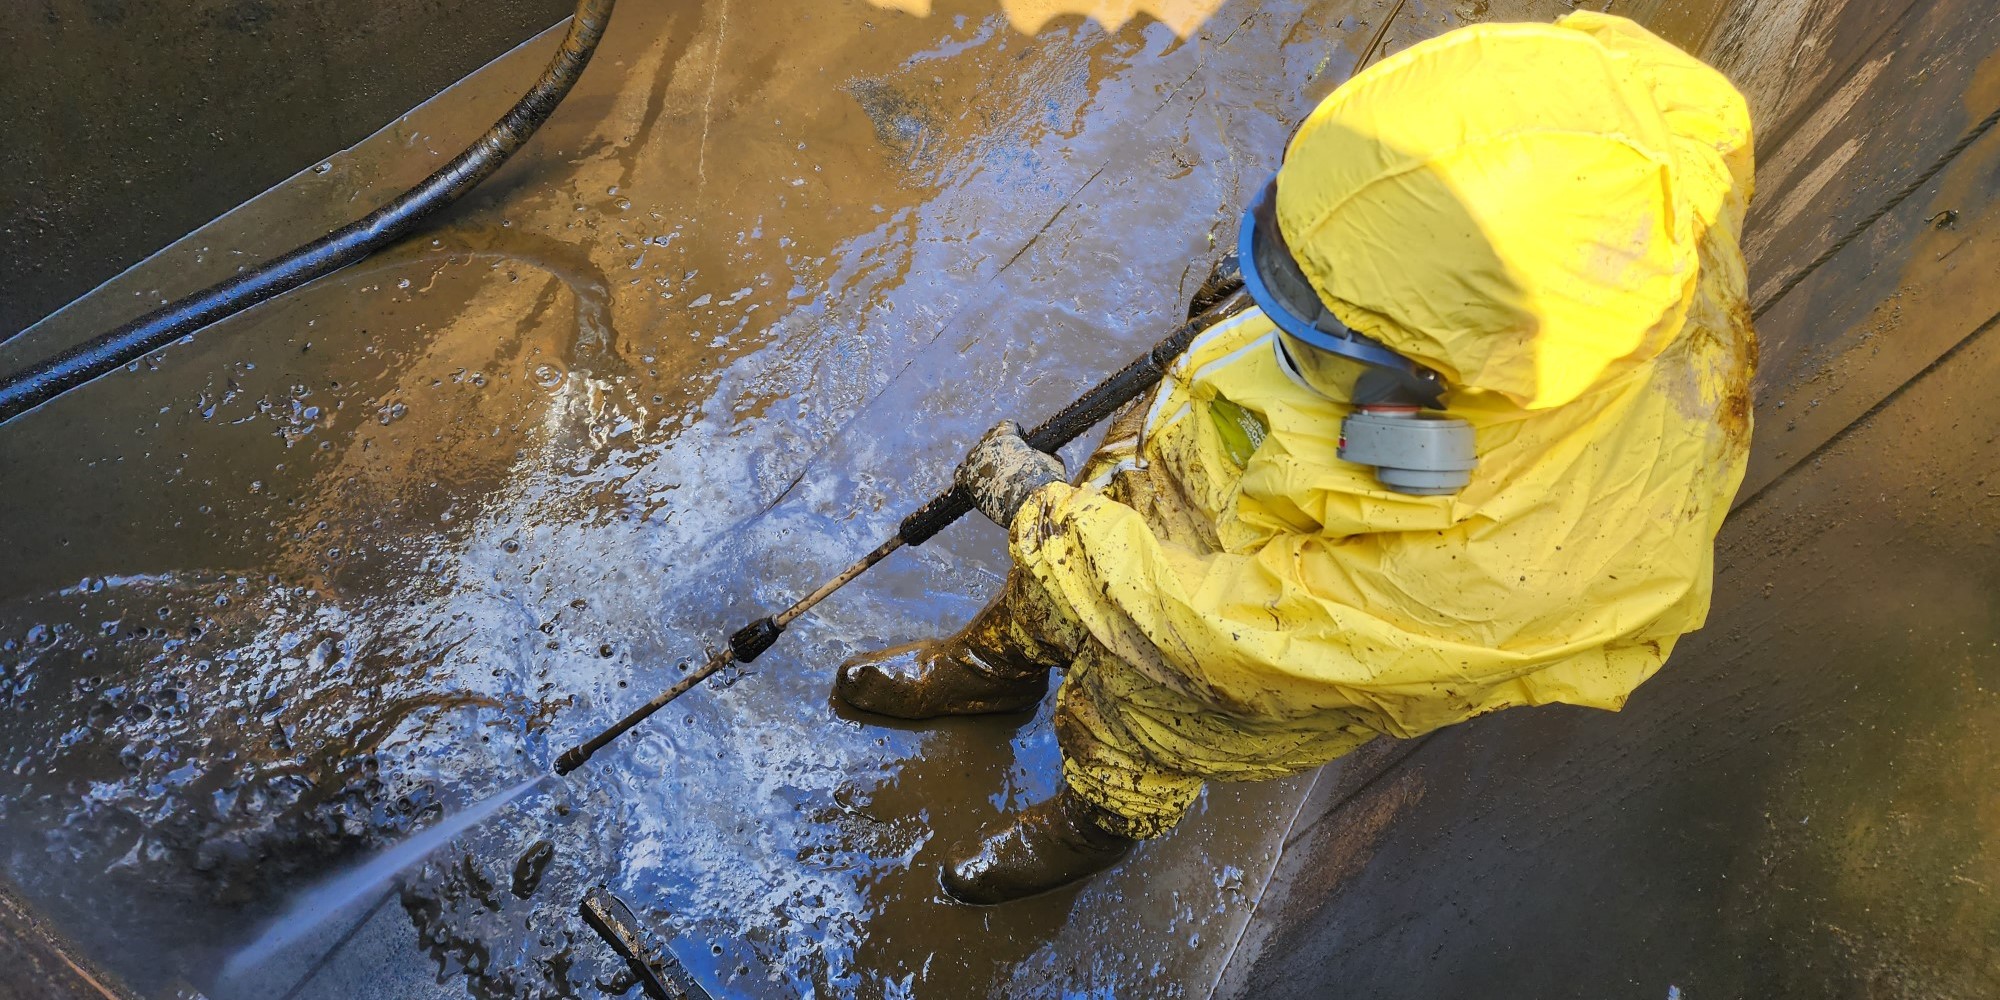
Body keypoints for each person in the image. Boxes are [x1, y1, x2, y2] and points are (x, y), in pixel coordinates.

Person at [835, 10, 1757, 905]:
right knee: (1082, 545)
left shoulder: (1528, 553)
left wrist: (1048, 521)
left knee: (1146, 722)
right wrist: (1305, 256)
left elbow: (1238, 639)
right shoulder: (1609, 143)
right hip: (1264, 449)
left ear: (1449, 367)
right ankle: (996, 668)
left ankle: (1097, 819)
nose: (1278, 302)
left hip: (1236, 646)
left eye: (1320, 314)